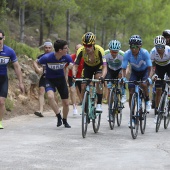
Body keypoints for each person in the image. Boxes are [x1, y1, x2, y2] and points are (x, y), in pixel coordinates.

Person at [36, 39, 73, 128]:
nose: (67, 50)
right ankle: (58, 115)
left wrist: (71, 66)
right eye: (65, 48)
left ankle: (65, 120)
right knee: (50, 96)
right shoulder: (47, 57)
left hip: (61, 80)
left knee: (66, 103)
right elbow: (36, 61)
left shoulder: (67, 57)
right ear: (60, 50)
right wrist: (38, 69)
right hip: (49, 80)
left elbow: (71, 64)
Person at [121, 35, 152, 127]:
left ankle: (147, 100)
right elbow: (123, 68)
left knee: (144, 84)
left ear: (140, 47)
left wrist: (149, 78)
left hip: (145, 71)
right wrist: (123, 77)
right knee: (131, 91)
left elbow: (150, 68)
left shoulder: (145, 53)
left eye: (135, 47)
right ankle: (132, 116)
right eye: (131, 47)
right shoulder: (127, 53)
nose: (133, 49)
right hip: (134, 72)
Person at [73, 32, 107, 112]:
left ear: (93, 44)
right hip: (88, 67)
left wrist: (103, 76)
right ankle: (84, 103)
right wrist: (74, 75)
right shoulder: (81, 51)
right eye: (85, 45)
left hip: (98, 66)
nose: (87, 48)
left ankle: (98, 104)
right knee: (83, 85)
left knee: (98, 79)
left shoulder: (100, 50)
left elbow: (105, 66)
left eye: (89, 46)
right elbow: (75, 65)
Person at [0, 29, 25, 129]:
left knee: (1, 102)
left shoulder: (9, 51)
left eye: (0, 38)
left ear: (4, 38)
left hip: (3, 79)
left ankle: (0, 121)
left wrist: (21, 82)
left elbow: (17, 67)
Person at [150, 35, 170, 123]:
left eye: (161, 46)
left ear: (164, 46)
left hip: (169, 67)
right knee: (158, 90)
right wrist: (152, 75)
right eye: (157, 46)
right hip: (159, 68)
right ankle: (157, 112)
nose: (159, 48)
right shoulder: (153, 52)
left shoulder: (169, 50)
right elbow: (151, 66)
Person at [33, 41, 54, 117]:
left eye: (49, 48)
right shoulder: (41, 56)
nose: (47, 49)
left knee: (52, 94)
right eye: (46, 48)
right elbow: (35, 62)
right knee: (41, 91)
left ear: (52, 48)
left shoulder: (55, 56)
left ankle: (56, 109)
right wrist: (37, 69)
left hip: (54, 77)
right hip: (45, 76)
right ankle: (41, 110)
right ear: (44, 48)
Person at [103, 40, 127, 106]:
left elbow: (126, 68)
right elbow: (104, 66)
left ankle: (123, 94)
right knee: (109, 87)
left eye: (116, 52)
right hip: (110, 69)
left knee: (121, 78)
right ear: (109, 50)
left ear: (118, 50)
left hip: (120, 69)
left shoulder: (123, 55)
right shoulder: (105, 54)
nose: (114, 53)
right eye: (112, 51)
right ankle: (110, 107)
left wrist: (124, 77)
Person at [67, 44, 83, 116]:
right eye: (77, 49)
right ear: (75, 50)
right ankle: (74, 107)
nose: (78, 50)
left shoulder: (85, 57)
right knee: (72, 90)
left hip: (82, 77)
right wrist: (69, 67)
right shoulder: (71, 57)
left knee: (81, 92)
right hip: (72, 76)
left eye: (80, 49)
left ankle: (83, 105)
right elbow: (65, 67)